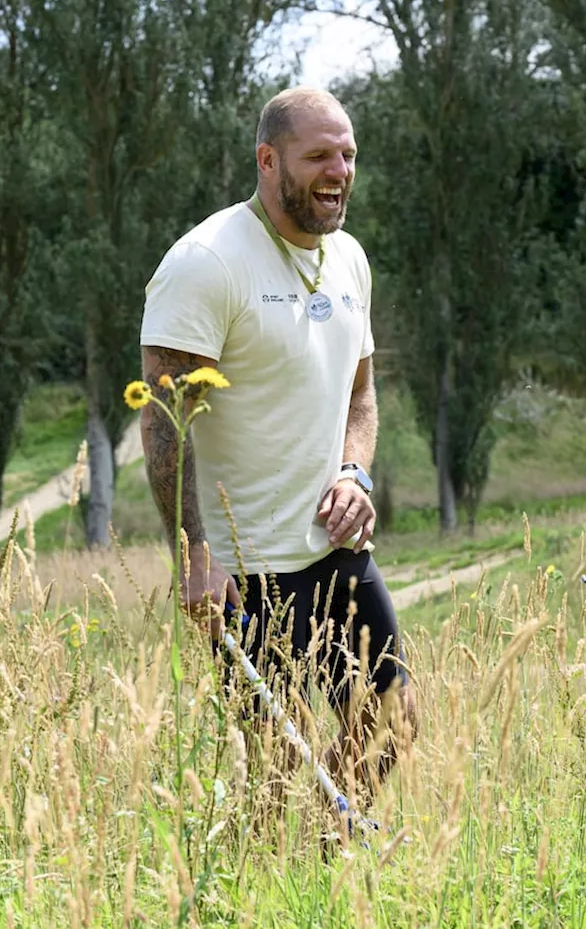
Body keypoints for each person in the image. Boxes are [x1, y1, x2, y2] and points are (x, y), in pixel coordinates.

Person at [138, 86, 416, 813]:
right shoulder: (207, 262)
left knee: (393, 722)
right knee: (268, 776)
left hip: (336, 554)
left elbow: (361, 396)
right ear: (269, 160)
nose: (340, 170)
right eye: (318, 155)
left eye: (349, 154)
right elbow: (165, 421)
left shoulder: (350, 259)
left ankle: (321, 864)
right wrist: (193, 550)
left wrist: (355, 471)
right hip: (245, 575)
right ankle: (254, 890)